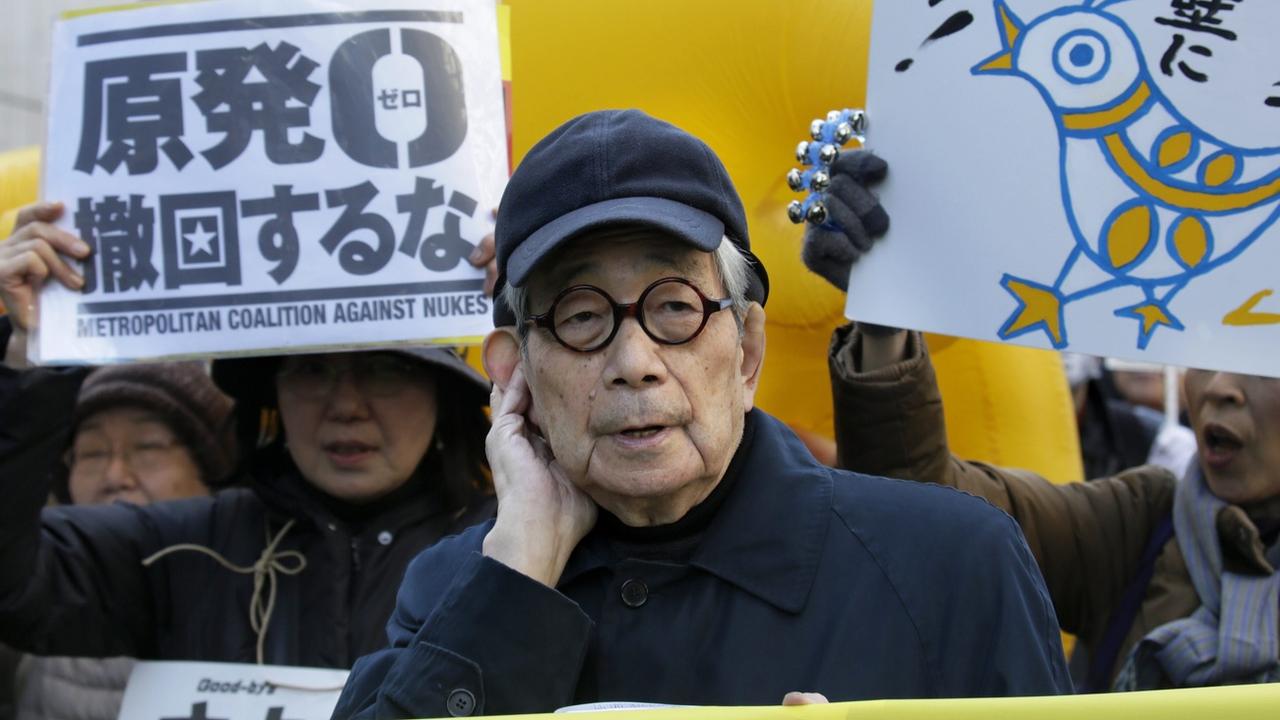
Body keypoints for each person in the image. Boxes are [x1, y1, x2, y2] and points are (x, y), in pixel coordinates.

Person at [333, 110, 1072, 719]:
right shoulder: (454, 587)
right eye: (582, 317)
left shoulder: (952, 563)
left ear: (746, 350)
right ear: (513, 372)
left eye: (675, 309)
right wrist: (517, 577)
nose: (634, 360)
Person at [805, 150, 1280, 691]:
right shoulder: (1144, 524)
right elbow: (931, 511)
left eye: (1264, 364)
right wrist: (885, 321)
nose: (1219, 388)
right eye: (1208, 353)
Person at [0, 202, 495, 673]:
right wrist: (30, 356)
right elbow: (16, 588)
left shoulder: (519, 547)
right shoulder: (179, 550)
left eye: (386, 370)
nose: (346, 406)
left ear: (441, 394)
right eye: (311, 369)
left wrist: (539, 324)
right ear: (273, 394)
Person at [9, 360, 234, 720]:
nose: (115, 476)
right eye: (93, 453)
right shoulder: (28, 596)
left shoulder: (260, 597)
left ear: (209, 469)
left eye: (147, 448)